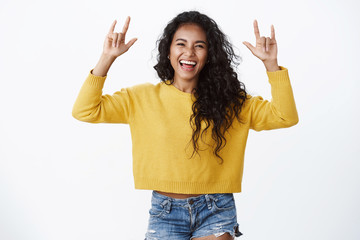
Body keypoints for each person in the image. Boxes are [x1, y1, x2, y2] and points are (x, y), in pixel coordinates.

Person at [72, 11, 298, 240]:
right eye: (181, 44)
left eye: (199, 46)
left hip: (215, 209)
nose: (189, 52)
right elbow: (85, 110)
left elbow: (284, 116)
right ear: (168, 51)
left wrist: (271, 65)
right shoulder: (140, 98)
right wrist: (106, 58)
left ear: (209, 55)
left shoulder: (231, 101)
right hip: (165, 211)